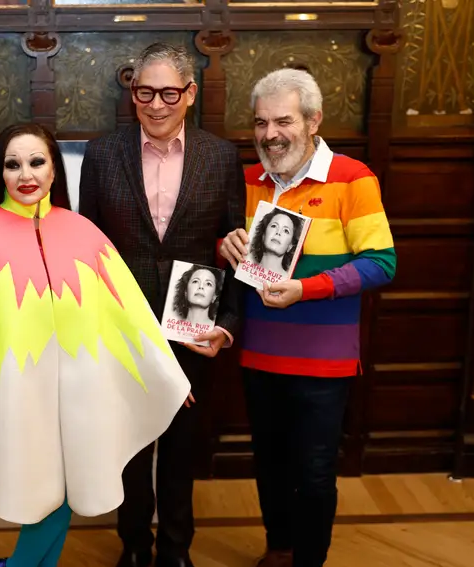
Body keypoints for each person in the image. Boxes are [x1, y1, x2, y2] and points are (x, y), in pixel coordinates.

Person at [0, 123, 193, 567]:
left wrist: (170, 377)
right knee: (44, 495)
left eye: (36, 162)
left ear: (54, 171)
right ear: (1, 174)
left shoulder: (85, 232)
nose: (25, 174)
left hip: (79, 398)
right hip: (21, 396)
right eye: (13, 164)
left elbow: (129, 313)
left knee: (65, 491)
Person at [218, 67, 396, 567]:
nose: (270, 135)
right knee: (270, 464)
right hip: (259, 352)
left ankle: (308, 562)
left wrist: (306, 288)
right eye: (260, 123)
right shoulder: (249, 178)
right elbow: (230, 248)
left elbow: (382, 262)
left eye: (283, 121)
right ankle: (279, 548)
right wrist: (224, 243)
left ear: (314, 120)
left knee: (315, 472)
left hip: (323, 360)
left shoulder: (353, 177)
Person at [78, 42, 246, 567]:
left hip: (192, 323)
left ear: (190, 94)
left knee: (181, 448)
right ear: (132, 94)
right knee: (128, 447)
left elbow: (234, 245)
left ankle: (176, 550)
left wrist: (228, 322)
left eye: (168, 92)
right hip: (122, 324)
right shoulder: (103, 153)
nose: (156, 104)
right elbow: (91, 249)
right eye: (144, 92)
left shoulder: (220, 157)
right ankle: (133, 546)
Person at [249, 208, 304, 277]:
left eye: (286, 231)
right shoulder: (244, 272)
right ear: (263, 235)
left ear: (290, 246)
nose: (278, 232)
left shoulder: (288, 282)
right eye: (274, 226)